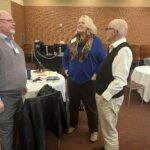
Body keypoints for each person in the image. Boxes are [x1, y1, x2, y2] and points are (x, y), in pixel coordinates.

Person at [62, 15, 106, 142]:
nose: (79, 24)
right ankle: (73, 124)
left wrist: (97, 74)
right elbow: (65, 57)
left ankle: (94, 130)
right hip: (73, 80)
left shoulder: (95, 41)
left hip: (89, 81)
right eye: (78, 22)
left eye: (83, 22)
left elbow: (103, 60)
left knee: (91, 108)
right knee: (73, 105)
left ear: (89, 26)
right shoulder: (73, 40)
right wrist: (65, 68)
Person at [93, 19, 133, 150]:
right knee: (106, 126)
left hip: (109, 99)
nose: (105, 31)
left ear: (114, 32)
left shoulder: (123, 50)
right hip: (106, 97)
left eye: (107, 29)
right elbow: (111, 70)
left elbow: (120, 80)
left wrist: (105, 95)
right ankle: (107, 147)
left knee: (110, 131)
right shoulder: (115, 48)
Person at [0, 10, 27, 150]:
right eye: (10, 20)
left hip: (18, 94)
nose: (14, 23)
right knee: (6, 130)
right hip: (5, 97)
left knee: (16, 127)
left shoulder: (12, 43)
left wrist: (23, 83)